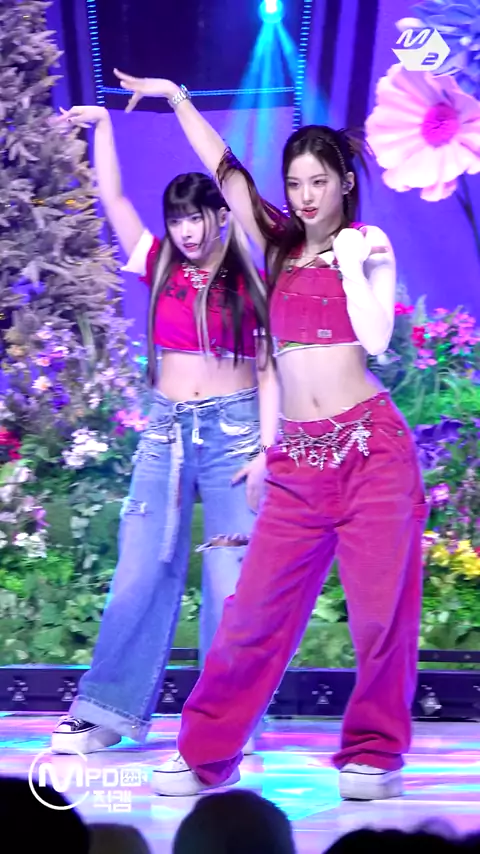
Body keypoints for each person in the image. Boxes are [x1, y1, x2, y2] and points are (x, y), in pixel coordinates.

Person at [111, 71, 427, 801]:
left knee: (381, 617)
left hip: (371, 451)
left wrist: (352, 262)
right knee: (251, 617)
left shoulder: (368, 243)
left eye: (320, 181)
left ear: (346, 183)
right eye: (296, 182)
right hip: (299, 464)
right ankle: (205, 753)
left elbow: (377, 339)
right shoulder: (278, 248)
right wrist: (179, 98)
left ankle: (375, 753)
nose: (307, 195)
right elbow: (226, 170)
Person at [49, 104, 269, 755]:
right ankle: (103, 712)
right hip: (166, 432)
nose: (186, 230)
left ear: (219, 215)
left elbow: (268, 367)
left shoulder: (251, 271)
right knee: (141, 570)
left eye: (196, 216)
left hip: (235, 435)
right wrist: (103, 129)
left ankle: (228, 721)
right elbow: (112, 197)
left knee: (231, 582)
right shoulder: (158, 263)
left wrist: (266, 447)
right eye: (177, 219)